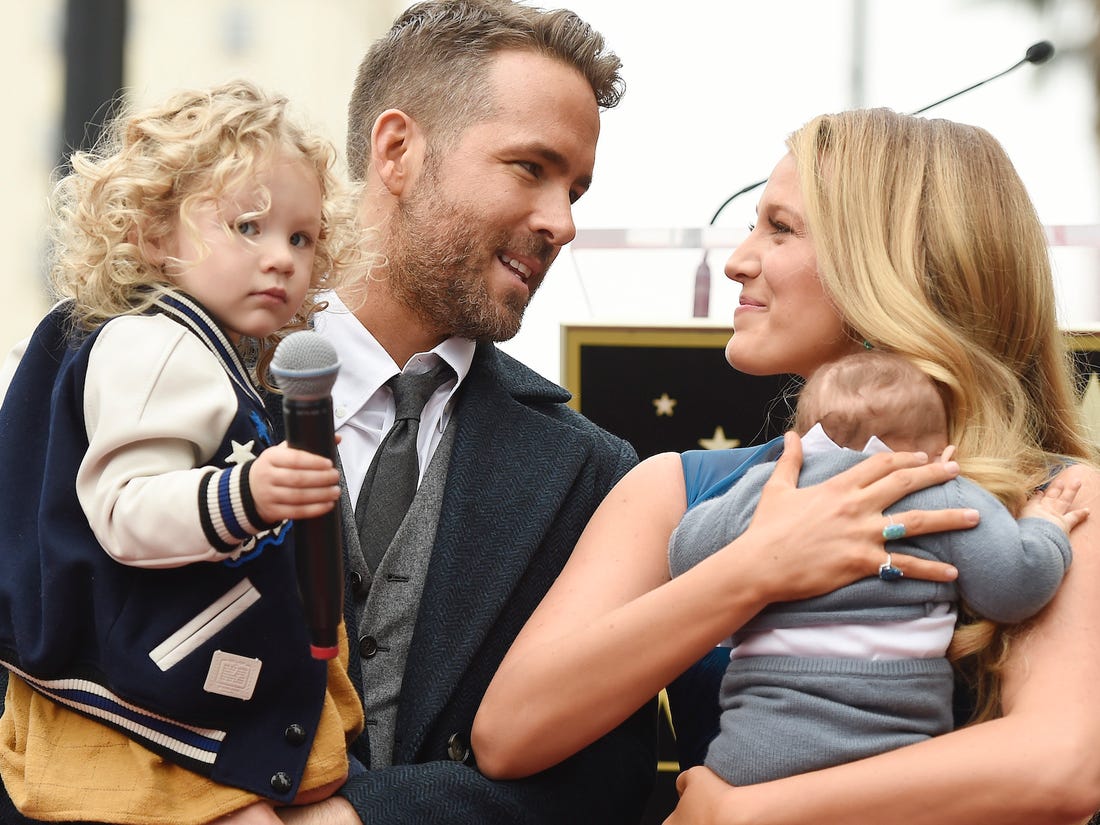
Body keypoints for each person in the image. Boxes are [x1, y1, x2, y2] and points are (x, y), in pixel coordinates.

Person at [471, 106, 1100, 825]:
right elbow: (509, 736)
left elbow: (1060, 765)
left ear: (892, 268)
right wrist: (760, 566)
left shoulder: (1057, 498)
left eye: (781, 228)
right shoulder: (673, 489)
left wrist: (743, 814)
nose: (737, 260)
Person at [0, 80, 366, 823]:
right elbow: (127, 510)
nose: (281, 258)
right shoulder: (159, 345)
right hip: (143, 711)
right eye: (249, 227)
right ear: (153, 234)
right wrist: (249, 493)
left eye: (301, 238)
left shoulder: (204, 349)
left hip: (165, 692)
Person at [668, 348, 1083, 786]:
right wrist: (1045, 527)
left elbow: (684, 558)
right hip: (890, 753)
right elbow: (1015, 587)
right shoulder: (946, 493)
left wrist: (746, 510)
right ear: (939, 450)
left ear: (799, 439)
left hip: (753, 753)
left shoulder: (770, 490)